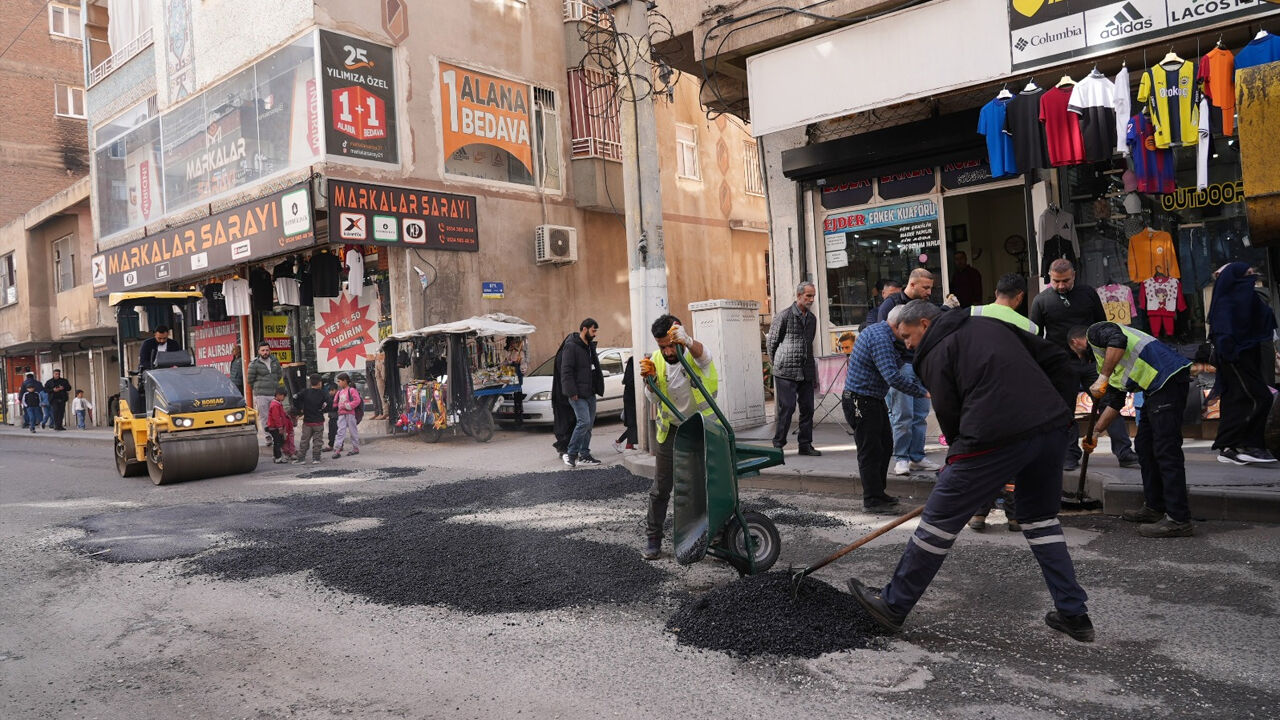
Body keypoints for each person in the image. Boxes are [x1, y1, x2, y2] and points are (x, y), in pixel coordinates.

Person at [848, 300, 1094, 643]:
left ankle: (893, 605)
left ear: (924, 323)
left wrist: (958, 462)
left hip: (992, 436)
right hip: (1050, 429)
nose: (906, 345)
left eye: (907, 336)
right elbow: (1057, 362)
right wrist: (1059, 415)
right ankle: (1074, 613)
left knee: (937, 523)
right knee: (1041, 520)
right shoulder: (992, 325)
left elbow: (950, 416)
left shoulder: (932, 352)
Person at [1083, 321, 1194, 538]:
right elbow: (1115, 402)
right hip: (1155, 390)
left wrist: (1103, 377)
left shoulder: (1095, 332)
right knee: (1144, 447)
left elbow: (1118, 339)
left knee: (1165, 450)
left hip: (1168, 379)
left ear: (1076, 342)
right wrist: (1095, 432)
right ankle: (1155, 507)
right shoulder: (1104, 362)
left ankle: (1179, 519)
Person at [1030, 259, 1139, 471]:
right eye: (1056, 281)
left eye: (1066, 281)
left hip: (1092, 363)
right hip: (1061, 365)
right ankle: (1069, 454)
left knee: (1110, 404)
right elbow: (1035, 335)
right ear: (1050, 278)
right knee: (1064, 412)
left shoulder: (1088, 293)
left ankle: (1124, 452)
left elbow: (1103, 324)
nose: (1061, 285)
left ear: (1074, 276)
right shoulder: (1041, 300)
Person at [639, 314, 717, 560]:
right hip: (671, 432)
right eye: (663, 347)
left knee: (705, 485)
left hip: (700, 429)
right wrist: (649, 383)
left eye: (672, 345)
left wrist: (688, 341)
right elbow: (654, 400)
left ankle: (714, 532)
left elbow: (706, 358)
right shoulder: (656, 362)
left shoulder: (693, 354)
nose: (669, 351)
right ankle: (653, 538)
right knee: (661, 488)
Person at [967, 273, 1039, 531]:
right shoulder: (1030, 327)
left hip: (978, 400)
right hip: (1013, 402)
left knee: (983, 458)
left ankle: (978, 513)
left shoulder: (972, 313)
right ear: (1019, 296)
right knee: (1013, 460)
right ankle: (1015, 516)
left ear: (996, 291)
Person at [842, 306, 929, 514]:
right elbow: (892, 376)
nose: (907, 335)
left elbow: (896, 364)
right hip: (860, 401)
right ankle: (872, 500)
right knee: (870, 451)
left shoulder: (885, 335)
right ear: (898, 325)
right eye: (907, 329)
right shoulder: (880, 338)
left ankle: (878, 493)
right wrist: (923, 392)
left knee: (884, 446)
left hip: (872, 398)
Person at [878, 269, 957, 476]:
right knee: (903, 414)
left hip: (922, 365)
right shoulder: (892, 304)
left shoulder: (925, 306)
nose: (929, 292)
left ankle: (916, 456)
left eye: (930, 287)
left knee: (920, 414)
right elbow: (882, 335)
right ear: (912, 285)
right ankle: (901, 458)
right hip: (902, 366)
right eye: (925, 287)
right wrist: (894, 367)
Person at [1208, 262, 1278, 464]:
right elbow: (1223, 334)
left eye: (1252, 273)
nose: (1252, 277)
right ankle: (1248, 445)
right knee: (1260, 397)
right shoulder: (1226, 303)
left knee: (1236, 401)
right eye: (1247, 274)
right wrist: (1231, 354)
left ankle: (1229, 447)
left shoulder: (1248, 300)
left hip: (1248, 357)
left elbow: (1266, 320)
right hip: (1235, 358)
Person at [768, 281, 822, 456]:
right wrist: (777, 363)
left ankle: (805, 445)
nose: (811, 299)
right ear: (799, 296)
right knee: (788, 408)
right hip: (785, 370)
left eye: (813, 296)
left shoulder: (812, 319)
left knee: (807, 409)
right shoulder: (783, 316)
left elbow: (809, 342)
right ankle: (778, 445)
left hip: (805, 370)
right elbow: (772, 343)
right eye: (808, 296)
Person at [559, 318, 603, 468]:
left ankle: (584, 455)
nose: (595, 334)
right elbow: (566, 371)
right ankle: (571, 454)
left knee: (589, 425)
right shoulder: (571, 346)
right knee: (583, 422)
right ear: (584, 329)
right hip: (577, 394)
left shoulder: (589, 346)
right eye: (593, 330)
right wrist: (571, 392)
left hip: (590, 392)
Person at [247, 342, 284, 445]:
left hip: (273, 393)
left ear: (270, 350)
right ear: (259, 351)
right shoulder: (254, 364)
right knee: (264, 416)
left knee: (275, 415)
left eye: (267, 350)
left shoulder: (274, 361)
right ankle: (268, 436)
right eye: (263, 350)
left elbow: (279, 375)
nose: (265, 352)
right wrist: (257, 389)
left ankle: (277, 435)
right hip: (261, 394)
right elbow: (250, 380)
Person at [293, 374, 331, 464]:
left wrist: (300, 409)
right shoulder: (323, 393)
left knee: (304, 441)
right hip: (318, 421)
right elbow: (329, 402)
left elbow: (295, 398)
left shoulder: (305, 392)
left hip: (307, 422)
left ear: (310, 382)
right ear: (320, 383)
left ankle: (301, 458)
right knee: (318, 441)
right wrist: (322, 410)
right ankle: (316, 458)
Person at [550, 332, 577, 458]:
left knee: (565, 423)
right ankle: (565, 449)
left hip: (561, 395)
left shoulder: (563, 353)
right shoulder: (565, 355)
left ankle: (565, 448)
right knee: (567, 423)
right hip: (564, 396)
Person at [332, 372, 362, 458]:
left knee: (353, 431)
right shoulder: (340, 392)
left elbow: (357, 400)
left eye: (339, 381)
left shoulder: (351, 390)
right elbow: (336, 402)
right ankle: (337, 449)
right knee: (340, 432)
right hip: (341, 414)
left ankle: (355, 448)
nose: (338, 383)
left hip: (350, 414)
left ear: (345, 381)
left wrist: (348, 406)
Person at [614, 356, 638, 453]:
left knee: (634, 423)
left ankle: (625, 443)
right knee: (633, 423)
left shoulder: (630, 374)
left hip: (631, 398)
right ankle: (625, 444)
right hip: (631, 399)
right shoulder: (631, 378)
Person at [266, 388, 292, 464]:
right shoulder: (275, 405)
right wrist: (280, 427)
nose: (284, 398)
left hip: (275, 426)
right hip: (275, 427)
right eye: (283, 396)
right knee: (278, 442)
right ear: (278, 395)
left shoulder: (277, 403)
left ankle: (275, 456)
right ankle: (278, 458)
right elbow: (276, 417)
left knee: (277, 442)